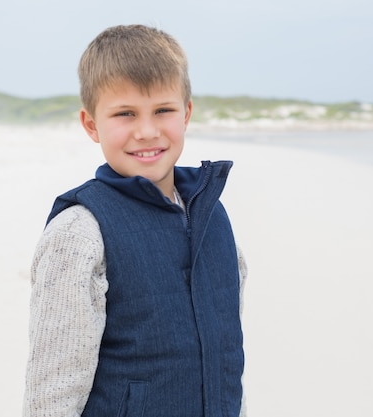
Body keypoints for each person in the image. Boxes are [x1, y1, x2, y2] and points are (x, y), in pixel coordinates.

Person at [23, 24, 247, 417]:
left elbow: (225, 361)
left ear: (187, 113)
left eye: (163, 110)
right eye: (125, 113)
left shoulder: (212, 216)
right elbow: (53, 390)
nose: (147, 131)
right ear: (91, 124)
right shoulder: (80, 231)